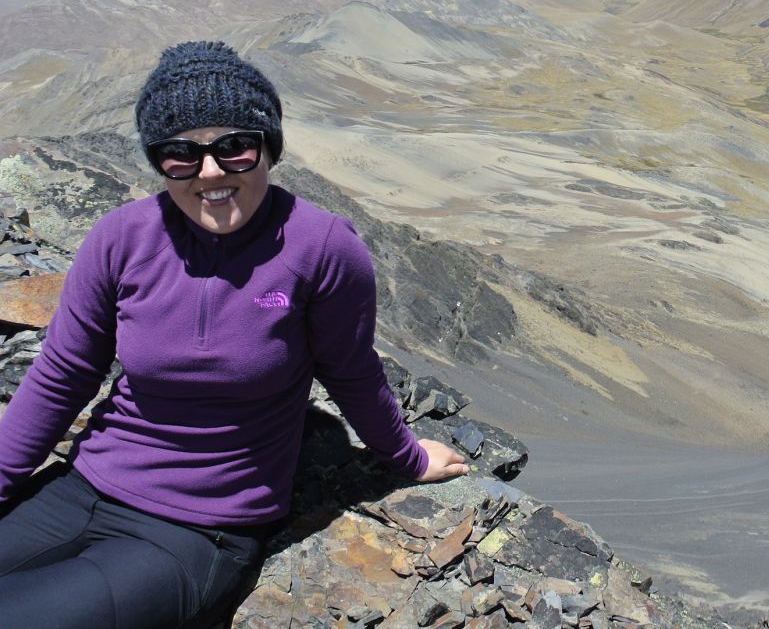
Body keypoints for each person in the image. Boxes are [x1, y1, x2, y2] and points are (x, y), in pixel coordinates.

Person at [0, 41, 470, 628]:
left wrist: (405, 456)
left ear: (268, 149)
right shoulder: (121, 237)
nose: (212, 172)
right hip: (81, 487)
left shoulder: (322, 248)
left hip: (196, 530)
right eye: (181, 155)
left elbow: (351, 370)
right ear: (158, 162)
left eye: (234, 147)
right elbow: (63, 374)